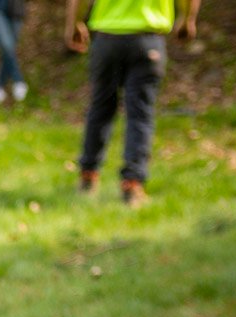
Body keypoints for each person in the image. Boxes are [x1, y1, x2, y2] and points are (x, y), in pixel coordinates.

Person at [66, 0, 201, 204]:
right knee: (140, 113)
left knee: (100, 108)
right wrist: (187, 18)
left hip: (107, 38)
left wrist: (74, 23)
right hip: (146, 39)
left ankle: (88, 176)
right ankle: (132, 184)